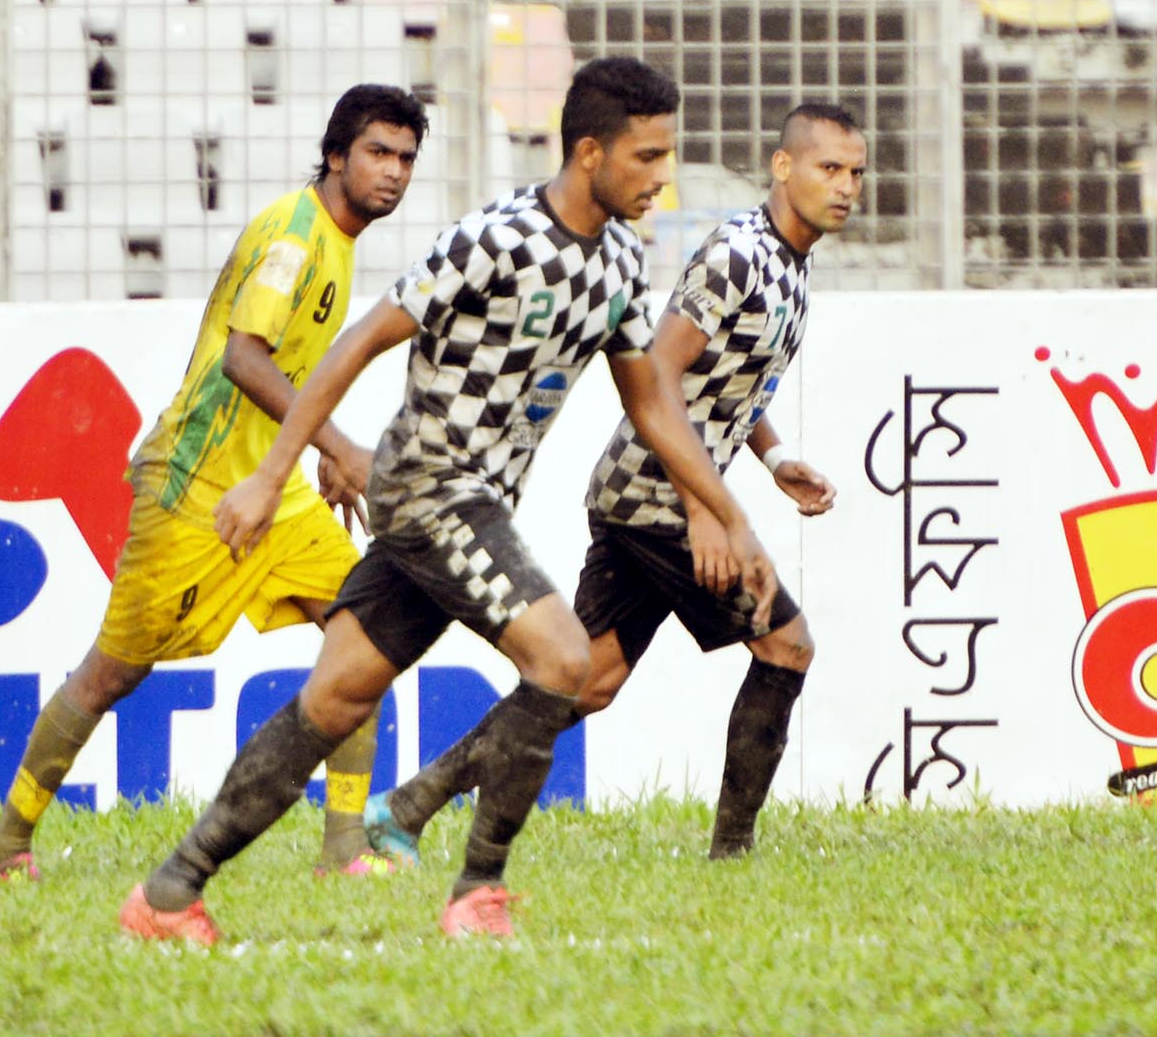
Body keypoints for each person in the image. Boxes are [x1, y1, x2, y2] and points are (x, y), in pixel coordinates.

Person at [118, 56, 780, 945]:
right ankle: (478, 895)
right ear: (590, 152)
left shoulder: (620, 258)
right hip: (430, 486)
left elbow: (651, 403)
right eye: (648, 156)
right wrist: (272, 474)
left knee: (335, 700)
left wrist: (727, 511)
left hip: (473, 500)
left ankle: (168, 893)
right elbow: (359, 343)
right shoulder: (498, 238)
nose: (664, 176)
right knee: (561, 658)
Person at [367, 104, 864, 866]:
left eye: (857, 173)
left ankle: (412, 801)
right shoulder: (738, 254)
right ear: (783, 167)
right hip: (657, 500)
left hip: (647, 496)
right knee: (787, 646)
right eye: (830, 168)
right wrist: (705, 512)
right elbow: (657, 374)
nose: (847, 187)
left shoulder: (791, 268)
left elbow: (726, 383)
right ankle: (732, 858)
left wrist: (773, 455)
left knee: (585, 684)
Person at [0, 85, 428, 884]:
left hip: (270, 487)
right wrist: (339, 443)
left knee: (365, 637)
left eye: (406, 159)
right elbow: (243, 357)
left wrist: (308, 453)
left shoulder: (335, 237)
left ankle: (345, 849)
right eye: (378, 153)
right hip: (197, 489)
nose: (393, 172)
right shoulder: (294, 238)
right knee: (112, 673)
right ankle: (2, 848)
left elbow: (290, 360)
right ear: (335, 156)